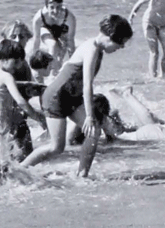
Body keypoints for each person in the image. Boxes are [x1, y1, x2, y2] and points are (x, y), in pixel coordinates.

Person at [21, 14, 133, 178]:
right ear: (111, 36)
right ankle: (19, 169)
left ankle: (82, 175)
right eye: (121, 42)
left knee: (93, 132)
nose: (121, 47)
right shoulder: (91, 49)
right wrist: (89, 115)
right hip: (56, 98)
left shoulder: (97, 49)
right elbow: (87, 84)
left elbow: (69, 67)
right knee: (56, 147)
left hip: (71, 98)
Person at [0, 40, 47, 162]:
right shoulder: (7, 77)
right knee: (2, 165)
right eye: (16, 62)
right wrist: (37, 117)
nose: (18, 66)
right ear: (4, 59)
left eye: (20, 62)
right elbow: (21, 102)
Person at [31, 0, 77, 76]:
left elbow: (70, 40)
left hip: (62, 30)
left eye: (58, 7)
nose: (55, 11)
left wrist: (74, 62)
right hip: (45, 28)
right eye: (52, 7)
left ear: (62, 6)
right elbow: (36, 39)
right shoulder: (39, 18)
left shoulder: (69, 17)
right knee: (53, 45)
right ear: (46, 7)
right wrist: (34, 62)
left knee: (59, 59)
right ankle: (50, 74)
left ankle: (57, 75)